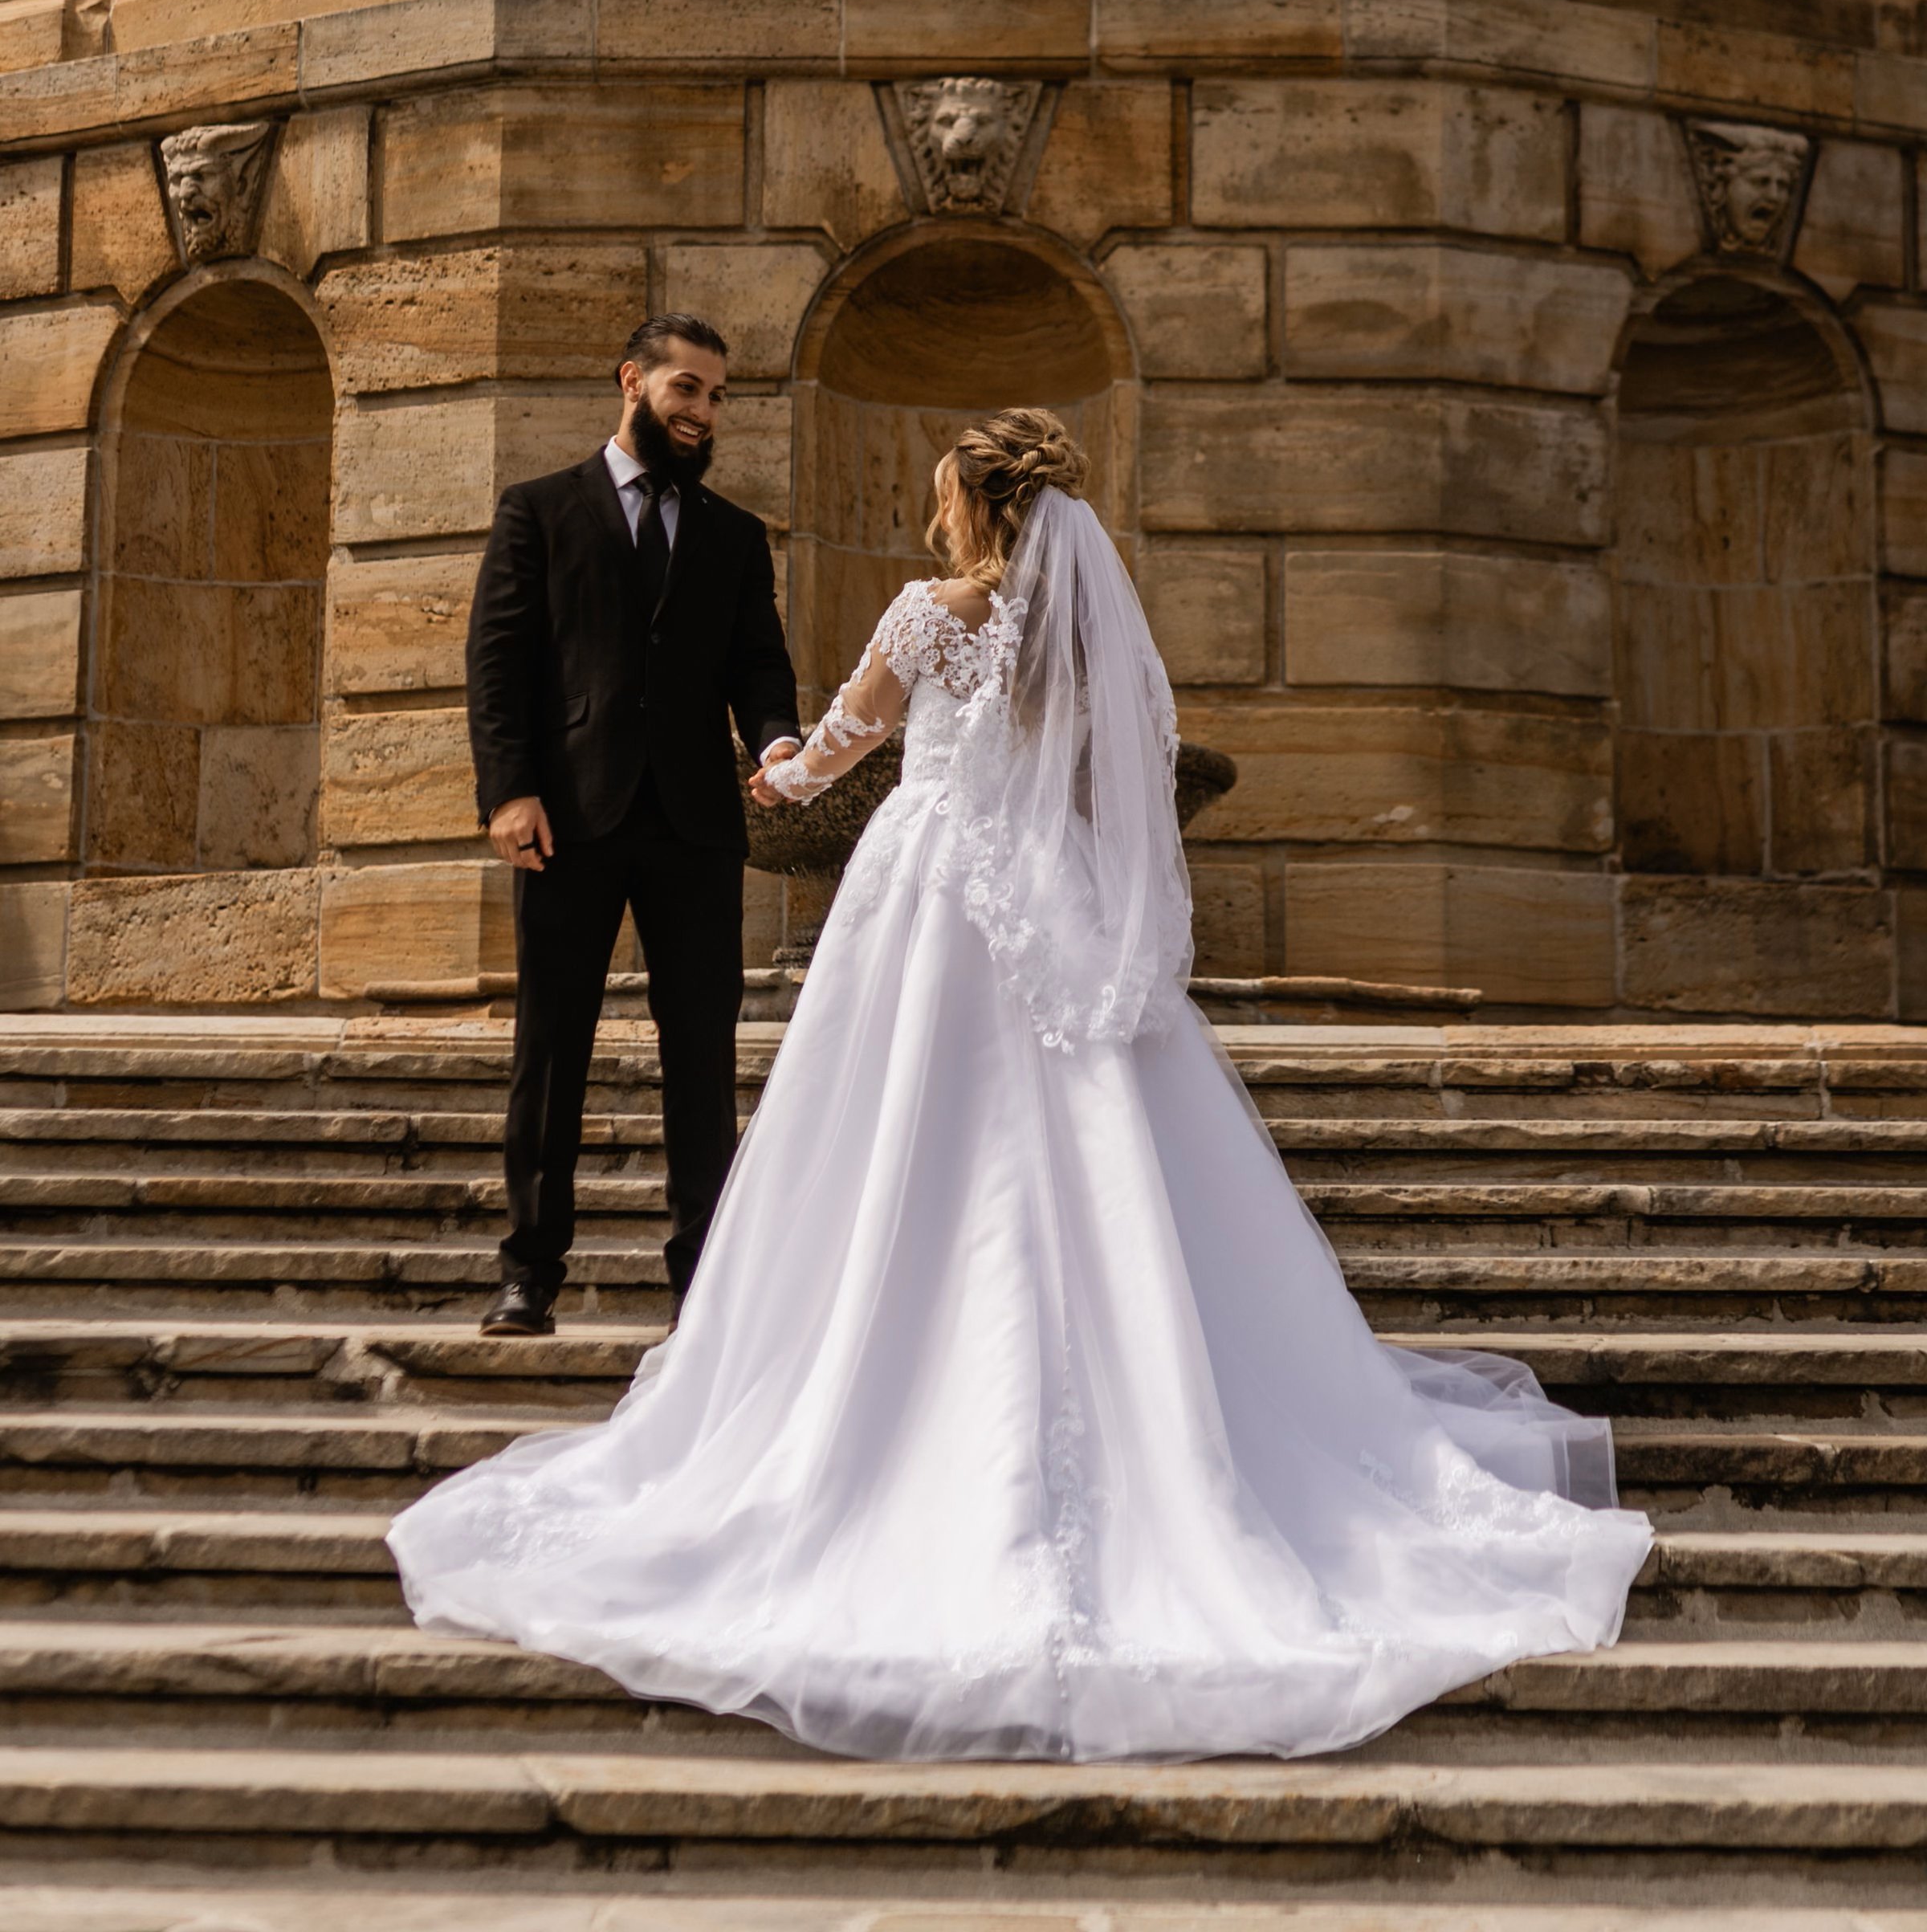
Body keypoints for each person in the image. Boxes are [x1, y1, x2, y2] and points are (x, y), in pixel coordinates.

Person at [394, 407, 1650, 1761]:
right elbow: (1122, 783)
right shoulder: (1078, 632)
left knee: (901, 1147)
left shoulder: (929, 612)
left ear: (976, 507)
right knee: (1093, 1146)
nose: (937, 515)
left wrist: (776, 770)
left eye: (946, 495)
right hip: (1043, 894)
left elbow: (838, 748)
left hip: (932, 897)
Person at [463, 313, 801, 1336]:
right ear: (633, 383)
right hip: (569, 818)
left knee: (702, 1057)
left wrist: (779, 739)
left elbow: (759, 663)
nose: (702, 412)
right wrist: (507, 791)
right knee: (550, 1048)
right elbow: (499, 664)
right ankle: (529, 1271)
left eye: (716, 396)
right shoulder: (539, 512)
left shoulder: (736, 538)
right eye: (686, 390)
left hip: (696, 827)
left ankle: (704, 1282)